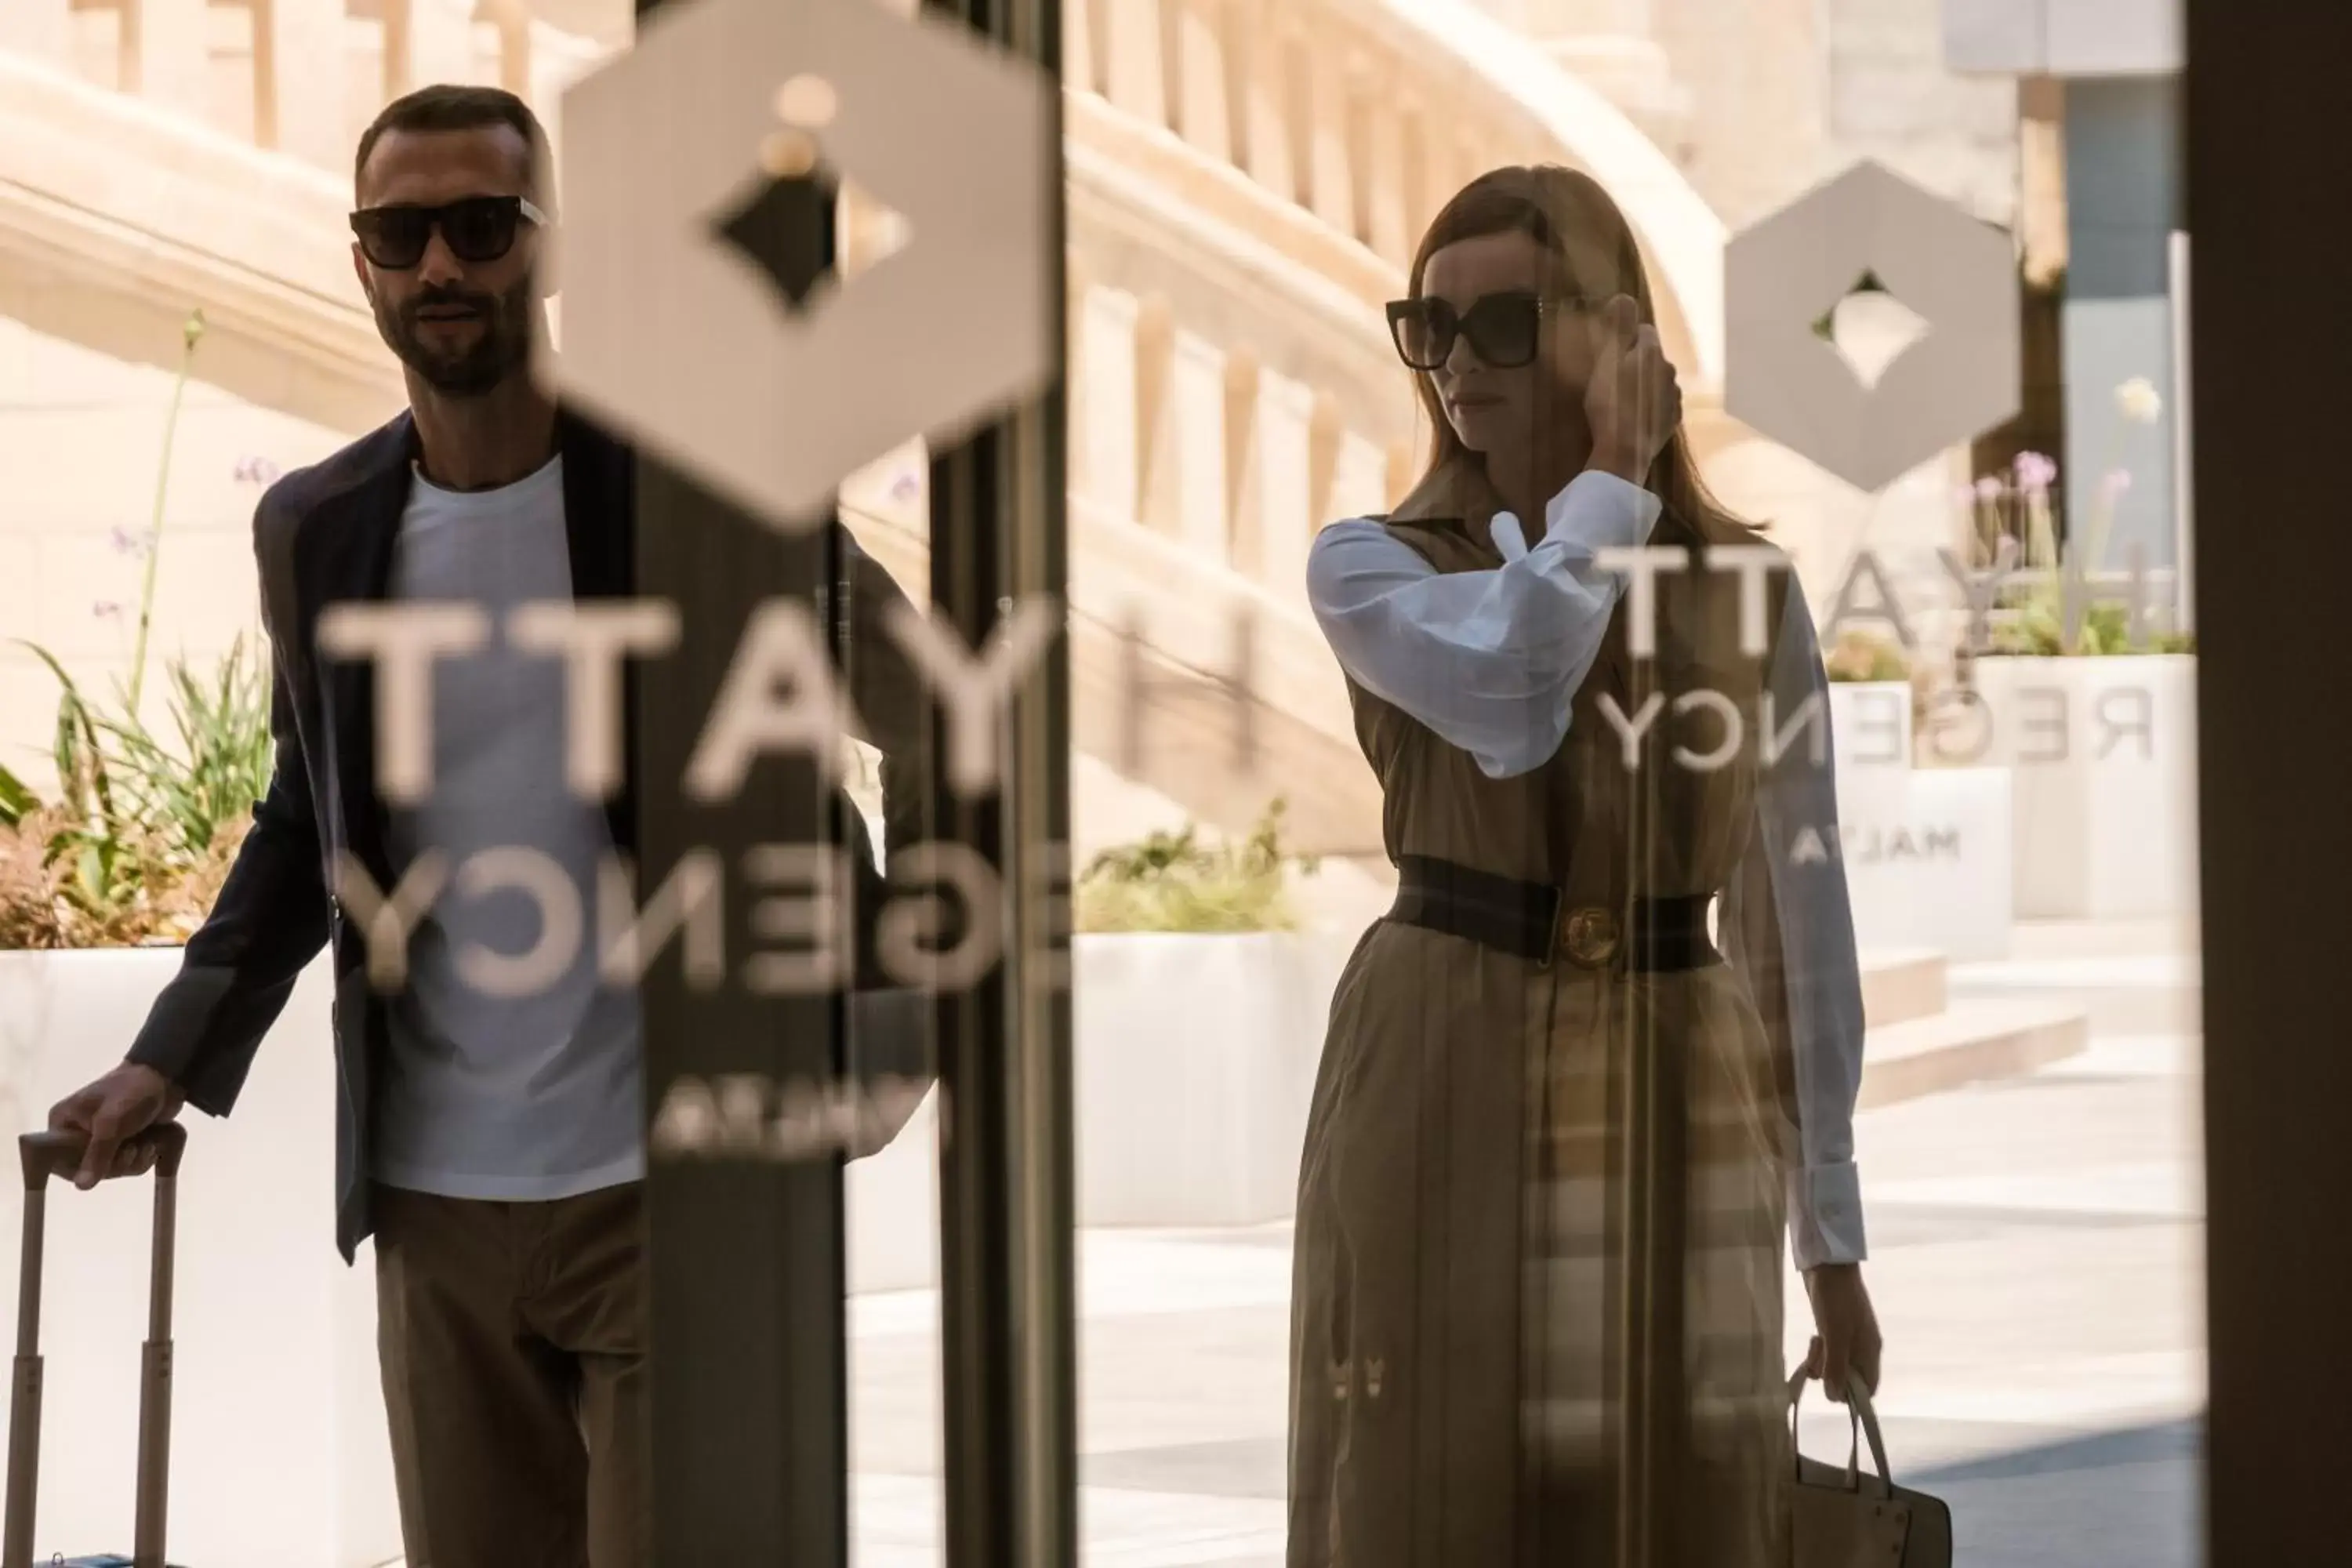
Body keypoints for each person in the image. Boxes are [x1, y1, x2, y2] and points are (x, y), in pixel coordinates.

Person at [42, 85, 931, 1567]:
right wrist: (169, 1056)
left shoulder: (704, 496)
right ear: (364, 265)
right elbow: (300, 817)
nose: (442, 265)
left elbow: (941, 720)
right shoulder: (319, 527)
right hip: (437, 1205)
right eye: (403, 234)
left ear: (549, 249)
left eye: (480, 226)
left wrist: (891, 1008)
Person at [1288, 165, 1883, 1566]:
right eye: (1427, 327)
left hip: (1681, 1056)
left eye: (1503, 323)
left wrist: (1834, 1242)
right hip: (1444, 1047)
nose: (1454, 365)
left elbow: (1798, 914)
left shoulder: (1748, 592)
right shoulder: (1372, 565)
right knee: (1429, 1483)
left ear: (1611, 336)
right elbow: (1515, 691)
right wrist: (1611, 484)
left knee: (1674, 1486)